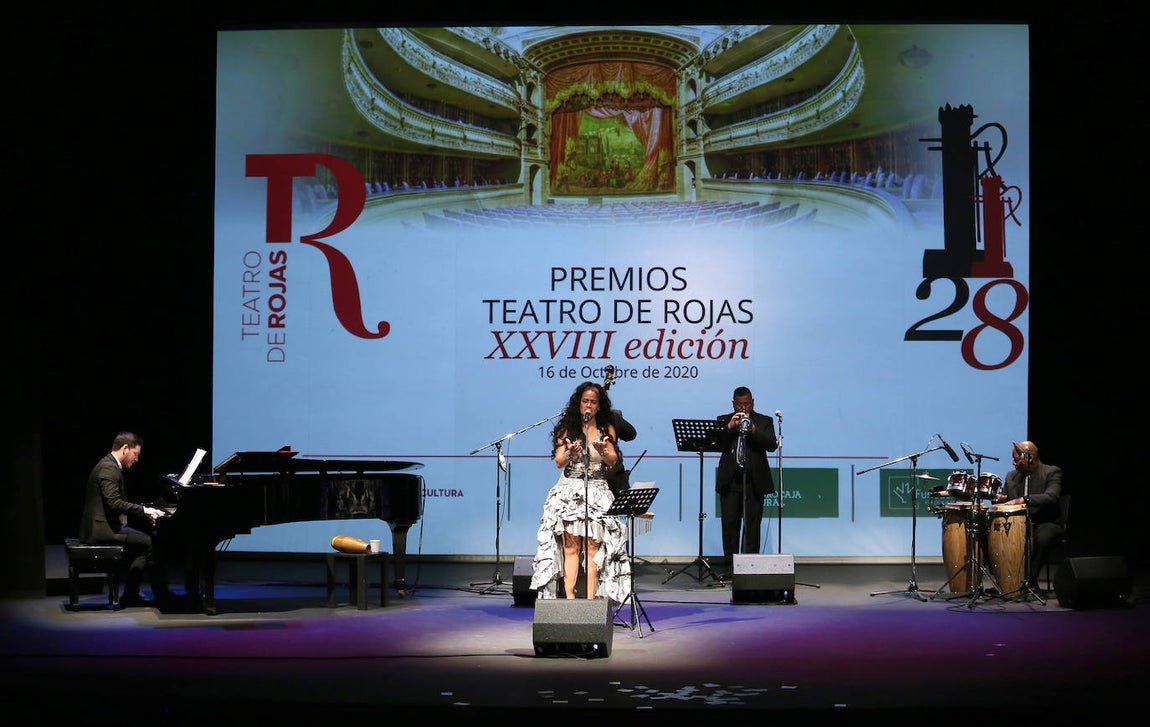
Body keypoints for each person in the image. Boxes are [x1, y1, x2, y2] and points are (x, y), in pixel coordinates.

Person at [531, 381, 631, 601]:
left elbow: (613, 460)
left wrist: (604, 451)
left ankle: (591, 603)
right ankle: (569, 601)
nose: (588, 405)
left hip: (597, 490)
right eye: (585, 401)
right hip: (570, 493)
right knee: (571, 547)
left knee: (594, 549)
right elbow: (559, 461)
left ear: (599, 406)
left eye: (593, 402)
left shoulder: (606, 428)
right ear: (578, 403)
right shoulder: (567, 428)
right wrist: (569, 453)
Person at [79, 432, 173, 608]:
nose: (136, 459)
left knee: (146, 544)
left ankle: (132, 594)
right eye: (135, 454)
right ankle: (160, 595)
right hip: (102, 530)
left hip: (105, 526)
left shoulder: (109, 465)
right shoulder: (108, 468)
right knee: (151, 543)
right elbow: (114, 503)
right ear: (125, 449)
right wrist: (144, 510)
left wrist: (145, 511)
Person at [714, 386, 779, 569]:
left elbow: (771, 444)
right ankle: (730, 568)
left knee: (752, 527)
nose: (743, 408)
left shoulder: (764, 421)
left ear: (753, 403)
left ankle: (750, 568)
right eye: (739, 404)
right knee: (729, 526)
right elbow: (715, 443)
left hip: (754, 483)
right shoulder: (724, 420)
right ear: (733, 404)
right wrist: (729, 427)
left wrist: (753, 430)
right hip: (730, 482)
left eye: (747, 404)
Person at [994, 440, 1065, 588]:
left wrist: (1023, 500)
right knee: (992, 532)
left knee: (1042, 537)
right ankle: (1005, 580)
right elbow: (1005, 497)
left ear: (1029, 458)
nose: (1013, 464)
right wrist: (999, 498)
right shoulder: (1011, 476)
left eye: (1016, 459)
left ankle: (1030, 581)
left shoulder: (1051, 472)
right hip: (1017, 523)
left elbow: (1051, 496)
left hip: (1044, 522)